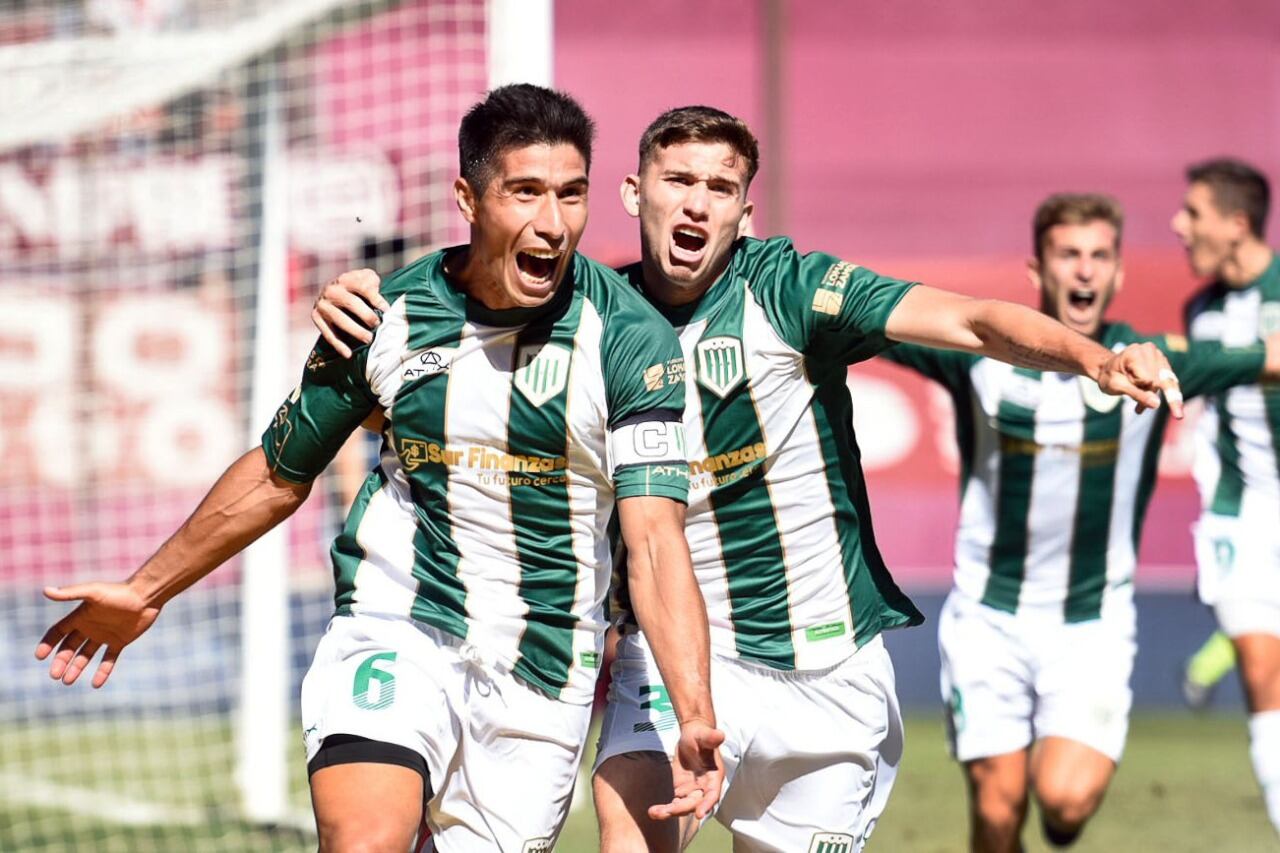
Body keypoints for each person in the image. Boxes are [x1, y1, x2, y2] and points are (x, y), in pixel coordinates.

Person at [313, 107, 1184, 853]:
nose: (695, 203)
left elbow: (969, 317)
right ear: (633, 193)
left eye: (720, 188)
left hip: (829, 670)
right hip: (679, 660)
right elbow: (462, 287)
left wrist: (1093, 360)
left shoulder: (790, 289)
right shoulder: (589, 312)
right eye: (677, 179)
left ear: (743, 210)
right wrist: (365, 293)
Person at [34, 84, 725, 853]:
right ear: (468, 197)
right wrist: (144, 587)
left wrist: (693, 711)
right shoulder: (381, 316)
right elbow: (278, 472)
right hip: (400, 624)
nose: (553, 223)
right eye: (525, 192)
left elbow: (656, 540)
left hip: (543, 671)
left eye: (571, 194)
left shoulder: (629, 340)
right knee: (365, 837)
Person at [882, 192, 1280, 852]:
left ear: (1119, 273)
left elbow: (1264, 357)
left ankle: (1061, 821)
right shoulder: (979, 356)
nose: (1085, 271)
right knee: (998, 805)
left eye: (1099, 256)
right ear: (1038, 272)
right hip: (988, 619)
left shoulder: (1155, 361)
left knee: (1064, 801)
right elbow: (877, 318)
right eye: (1069, 255)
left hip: (1093, 625)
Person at [1174, 157, 1280, 837]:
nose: (1181, 226)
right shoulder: (1201, 310)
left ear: (1237, 224)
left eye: (1194, 213)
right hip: (1243, 515)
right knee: (1262, 669)